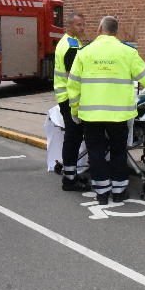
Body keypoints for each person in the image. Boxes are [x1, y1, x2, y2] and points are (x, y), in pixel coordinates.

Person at [67, 16, 145, 205]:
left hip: (91, 114)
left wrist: (74, 109)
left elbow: (73, 85)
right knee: (118, 151)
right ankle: (119, 191)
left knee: (95, 152)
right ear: (116, 31)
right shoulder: (127, 52)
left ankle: (102, 193)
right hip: (119, 115)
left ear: (99, 28)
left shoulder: (84, 52)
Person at [54, 12, 89, 192]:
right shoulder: (71, 46)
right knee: (73, 138)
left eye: (83, 24)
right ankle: (69, 179)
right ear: (69, 26)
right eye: (79, 25)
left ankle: (70, 175)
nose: (82, 28)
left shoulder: (69, 42)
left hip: (65, 97)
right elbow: (73, 77)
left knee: (73, 137)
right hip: (70, 98)